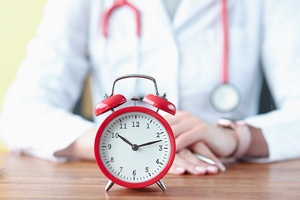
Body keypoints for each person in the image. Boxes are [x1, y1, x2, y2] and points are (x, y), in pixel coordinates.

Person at [1, 0, 300, 176]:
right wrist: (111, 144)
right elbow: (18, 113)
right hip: (120, 176)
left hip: (222, 173)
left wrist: (237, 137)